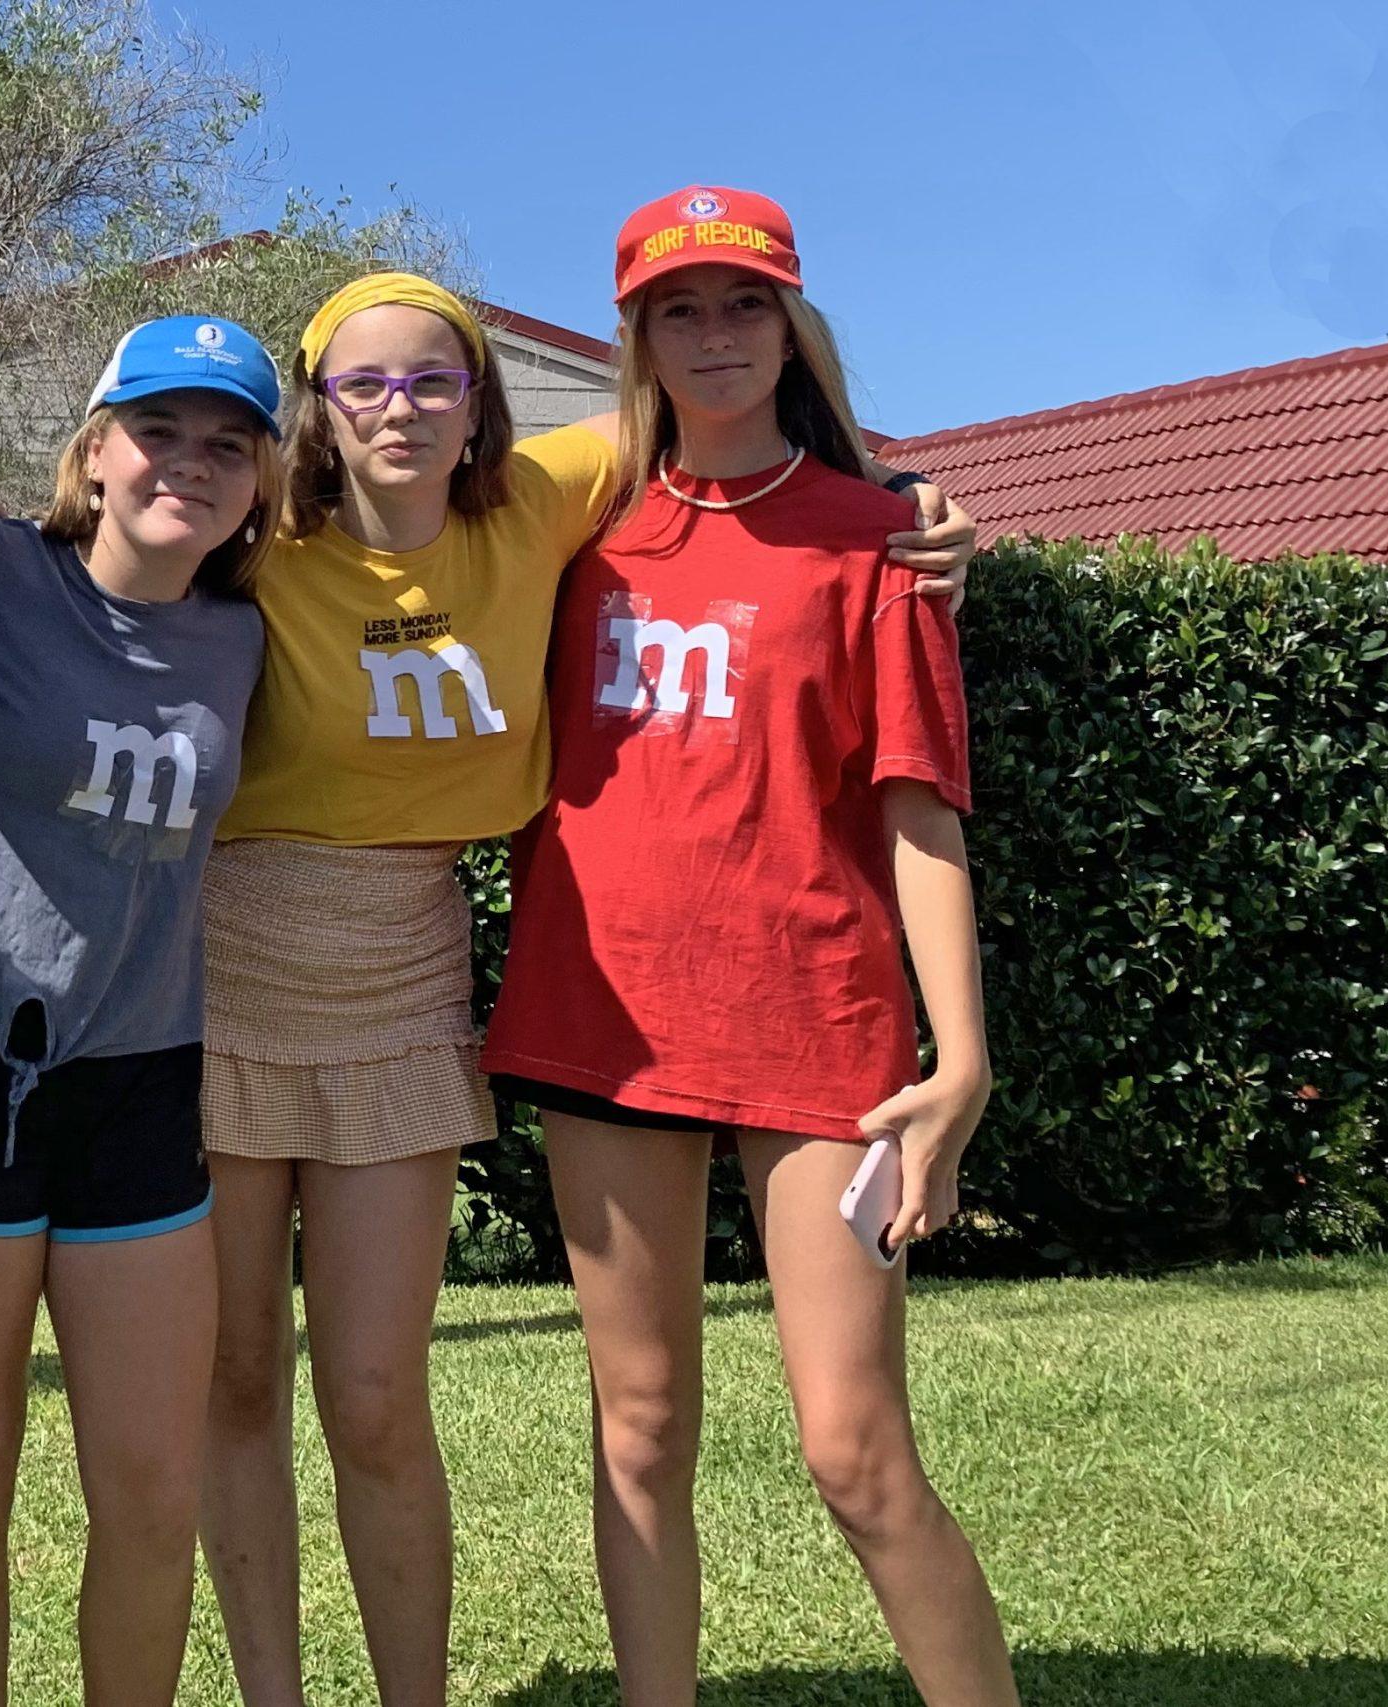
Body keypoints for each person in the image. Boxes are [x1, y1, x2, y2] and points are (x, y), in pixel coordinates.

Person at [197, 271, 975, 1707]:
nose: (400, 407)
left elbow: (757, 452)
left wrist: (908, 499)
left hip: (427, 979)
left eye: (433, 380)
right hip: (255, 973)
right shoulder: (252, 541)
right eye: (362, 383)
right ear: (315, 404)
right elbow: (82, 552)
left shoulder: (545, 500)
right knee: (252, 1386)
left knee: (379, 1397)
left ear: (481, 401)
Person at [479, 187, 1019, 1706]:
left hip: (822, 1037)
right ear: (635, 335)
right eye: (679, 309)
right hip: (605, 1022)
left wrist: (958, 1058)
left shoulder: (879, 542)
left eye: (745, 304)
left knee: (857, 1452)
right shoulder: (574, 531)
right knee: (639, 1427)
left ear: (794, 325)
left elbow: (919, 810)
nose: (715, 336)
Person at [0, 316, 281, 1705]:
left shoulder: (249, 634)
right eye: (157, 430)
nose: (189, 464)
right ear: (94, 450)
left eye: (229, 443)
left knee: (154, 1488)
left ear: (262, 482)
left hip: (145, 1077)